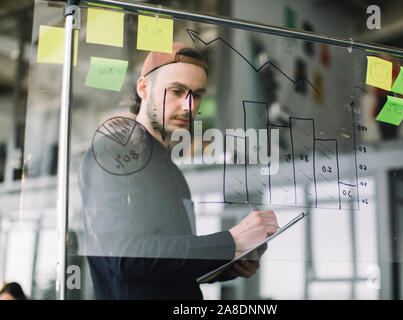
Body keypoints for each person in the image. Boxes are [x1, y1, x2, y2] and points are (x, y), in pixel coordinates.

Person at [79, 42, 279, 299]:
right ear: (143, 88)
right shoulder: (113, 151)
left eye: (197, 95)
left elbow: (166, 265)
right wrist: (230, 242)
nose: (189, 105)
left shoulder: (168, 168)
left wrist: (228, 264)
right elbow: (126, 258)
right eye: (176, 91)